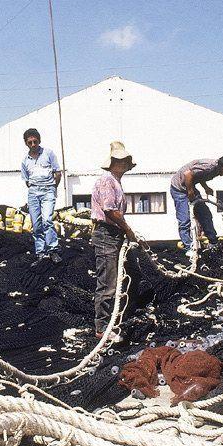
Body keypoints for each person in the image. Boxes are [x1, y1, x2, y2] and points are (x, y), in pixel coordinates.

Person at [91, 141, 137, 339]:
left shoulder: (116, 181)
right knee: (108, 282)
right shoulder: (107, 181)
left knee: (118, 277)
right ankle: (102, 328)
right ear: (114, 162)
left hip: (114, 233)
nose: (125, 164)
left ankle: (112, 320)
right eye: (123, 160)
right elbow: (109, 210)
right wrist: (127, 229)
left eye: (127, 161)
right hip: (105, 234)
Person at [169, 155, 223, 258]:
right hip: (179, 189)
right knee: (184, 220)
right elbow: (188, 174)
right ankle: (189, 248)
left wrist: (206, 187)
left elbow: (199, 175)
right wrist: (190, 191)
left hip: (190, 186)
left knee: (205, 214)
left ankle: (213, 242)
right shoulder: (209, 167)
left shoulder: (216, 170)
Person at [20, 128, 62, 263]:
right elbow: (27, 180)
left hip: (48, 190)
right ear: (26, 143)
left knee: (47, 220)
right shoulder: (25, 161)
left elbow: (57, 173)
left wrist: (52, 188)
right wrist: (34, 189)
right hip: (33, 192)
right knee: (36, 224)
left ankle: (53, 250)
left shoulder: (48, 154)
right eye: (30, 142)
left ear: (39, 141)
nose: (33, 145)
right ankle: (40, 251)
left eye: (35, 141)